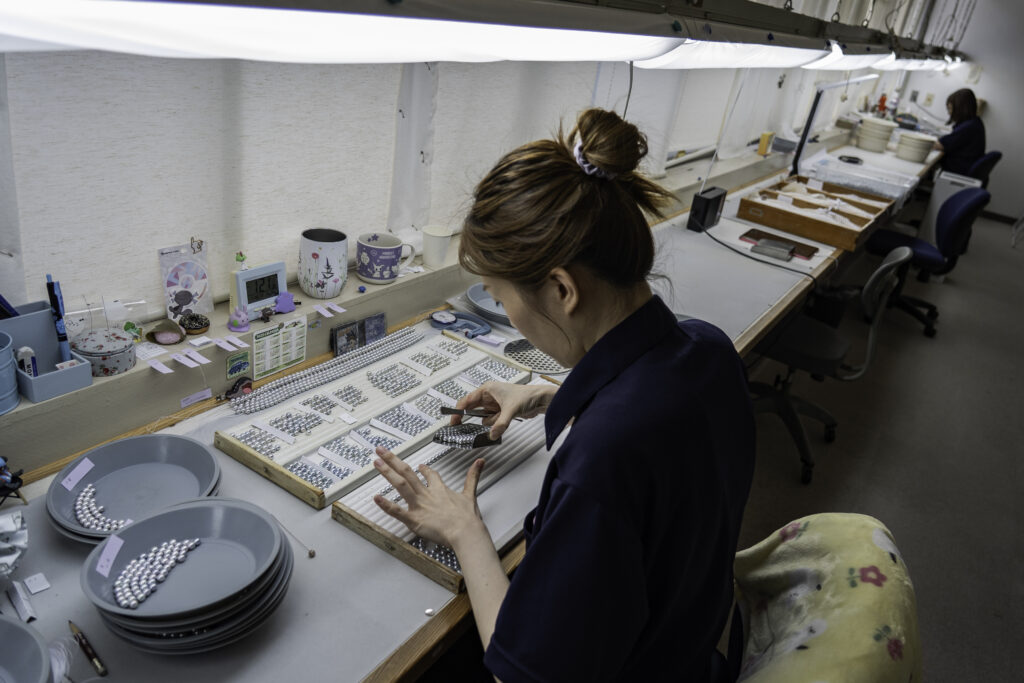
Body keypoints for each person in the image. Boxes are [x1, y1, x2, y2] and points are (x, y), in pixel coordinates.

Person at [372, 108, 755, 682]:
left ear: (560, 289)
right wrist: (553, 395)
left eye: (501, 298)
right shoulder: (710, 349)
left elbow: (521, 677)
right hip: (689, 652)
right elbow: (658, 410)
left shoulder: (602, 460)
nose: (508, 314)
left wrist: (463, 531)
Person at [934, 88, 985, 175]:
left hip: (957, 170)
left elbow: (939, 145)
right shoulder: (975, 122)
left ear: (960, 108)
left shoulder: (968, 127)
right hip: (964, 167)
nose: (949, 113)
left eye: (950, 109)